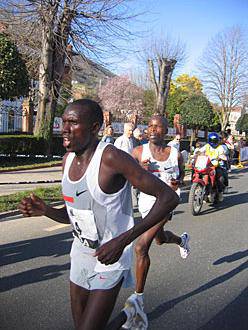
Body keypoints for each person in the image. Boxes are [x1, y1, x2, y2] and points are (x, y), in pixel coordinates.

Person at [19, 99, 179, 330]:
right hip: (82, 253)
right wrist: (46, 211)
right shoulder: (67, 161)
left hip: (111, 257)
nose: (64, 128)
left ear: (95, 128)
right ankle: (130, 314)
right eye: (64, 122)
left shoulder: (111, 158)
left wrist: (123, 240)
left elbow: (169, 198)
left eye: (73, 123)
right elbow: (73, 215)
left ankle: (130, 313)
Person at [122, 114, 190, 329]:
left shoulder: (175, 154)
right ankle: (181, 241)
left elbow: (181, 175)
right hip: (146, 204)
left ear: (166, 130)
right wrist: (140, 172)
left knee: (142, 246)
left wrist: (178, 182)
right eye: (150, 126)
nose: (152, 130)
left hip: (166, 203)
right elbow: (129, 181)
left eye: (157, 127)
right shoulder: (138, 152)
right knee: (159, 240)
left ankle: (137, 300)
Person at [199, 132, 227, 201]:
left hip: (216, 166)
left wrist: (221, 157)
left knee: (220, 177)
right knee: (197, 171)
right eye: (211, 140)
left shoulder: (220, 147)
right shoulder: (207, 146)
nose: (213, 142)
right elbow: (200, 151)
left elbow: (223, 155)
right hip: (206, 165)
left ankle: (220, 192)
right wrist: (196, 154)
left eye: (214, 141)